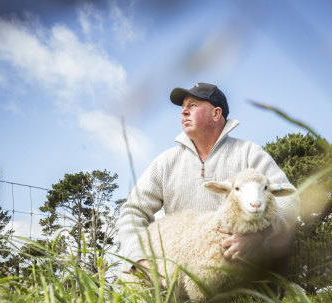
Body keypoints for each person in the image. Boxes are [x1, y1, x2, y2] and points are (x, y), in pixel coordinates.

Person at [117, 82, 299, 285]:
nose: (184, 111)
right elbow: (132, 212)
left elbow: (290, 199)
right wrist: (141, 259)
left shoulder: (248, 153)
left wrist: (260, 235)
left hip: (241, 269)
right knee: (129, 286)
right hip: (181, 272)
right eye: (183, 107)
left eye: (193, 105)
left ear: (216, 113)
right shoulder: (165, 163)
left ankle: (261, 299)